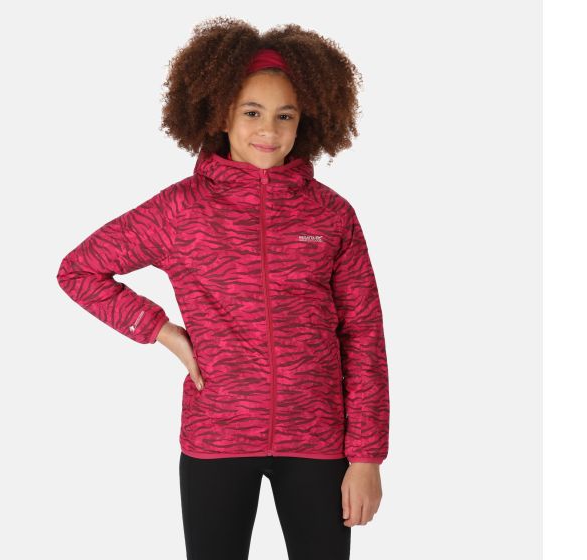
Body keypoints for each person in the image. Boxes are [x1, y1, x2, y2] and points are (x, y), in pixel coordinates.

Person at [57, 17, 390, 560]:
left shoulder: (331, 214)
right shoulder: (179, 210)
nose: (269, 130)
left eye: (285, 115)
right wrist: (162, 331)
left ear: (305, 120)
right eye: (252, 112)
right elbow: (79, 270)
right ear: (220, 115)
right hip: (217, 437)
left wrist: (367, 456)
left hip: (319, 440)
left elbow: (363, 334)